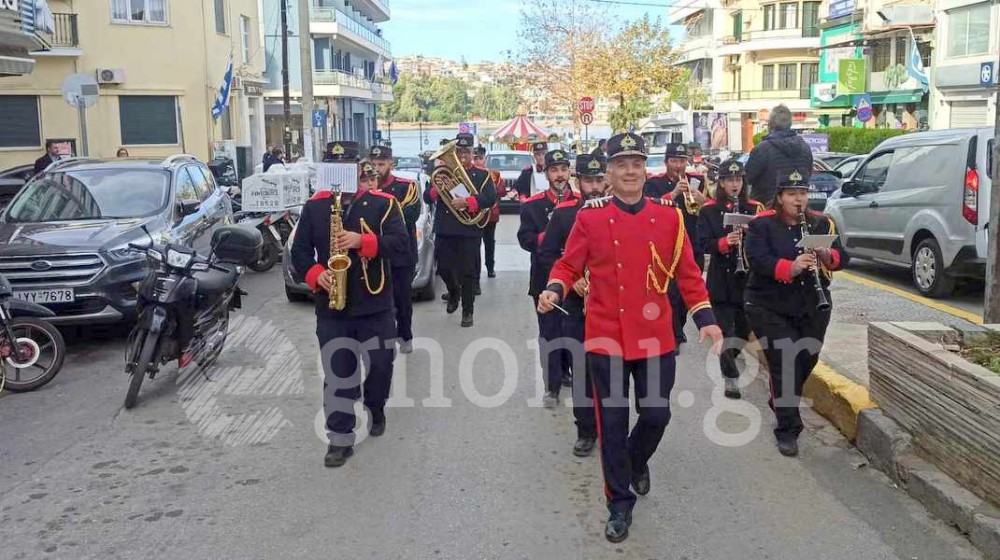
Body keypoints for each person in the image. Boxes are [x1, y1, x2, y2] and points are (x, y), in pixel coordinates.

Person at [538, 133, 723, 543]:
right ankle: (618, 504)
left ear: (644, 169)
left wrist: (705, 317)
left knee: (657, 414)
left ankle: (637, 460)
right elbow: (568, 266)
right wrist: (554, 289)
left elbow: (688, 274)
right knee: (613, 423)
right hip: (605, 335)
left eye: (636, 163)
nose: (629, 171)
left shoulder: (669, 217)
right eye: (621, 164)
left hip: (656, 335)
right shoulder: (590, 218)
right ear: (609, 172)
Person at [289, 142, 409, 468]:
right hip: (332, 305)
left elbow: (402, 247)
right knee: (338, 372)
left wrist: (362, 241)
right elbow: (298, 253)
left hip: (376, 302)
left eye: (347, 164)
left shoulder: (384, 204)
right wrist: (317, 275)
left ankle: (375, 403)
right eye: (332, 164)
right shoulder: (315, 207)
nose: (339, 170)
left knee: (382, 364)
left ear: (360, 168)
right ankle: (339, 438)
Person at [744, 169, 848, 457]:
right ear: (779, 197)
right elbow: (758, 259)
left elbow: (843, 257)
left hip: (812, 304)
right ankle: (788, 428)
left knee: (807, 358)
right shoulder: (762, 225)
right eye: (791, 194)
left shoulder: (821, 223)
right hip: (768, 304)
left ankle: (780, 398)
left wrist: (827, 256)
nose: (798, 199)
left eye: (802, 193)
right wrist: (790, 267)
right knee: (785, 361)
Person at [537, 153, 608, 457]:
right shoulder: (565, 215)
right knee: (582, 370)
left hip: (611, 306)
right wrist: (572, 280)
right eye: (588, 181)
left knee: (612, 372)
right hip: (578, 307)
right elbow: (547, 255)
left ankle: (612, 426)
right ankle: (586, 429)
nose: (594, 187)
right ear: (579, 182)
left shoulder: (620, 212)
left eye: (598, 180)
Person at [696, 159, 765, 399]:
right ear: (721, 183)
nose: (734, 185)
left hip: (748, 280)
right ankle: (731, 377)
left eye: (738, 180)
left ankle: (728, 358)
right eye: (729, 180)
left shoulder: (755, 209)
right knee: (724, 330)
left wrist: (751, 234)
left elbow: (766, 239)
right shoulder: (709, 210)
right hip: (721, 280)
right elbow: (703, 243)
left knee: (743, 332)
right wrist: (725, 243)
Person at [518, 149, 579, 407]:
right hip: (545, 279)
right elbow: (525, 239)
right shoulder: (533, 205)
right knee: (550, 334)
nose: (560, 175)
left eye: (564, 170)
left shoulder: (583, 203)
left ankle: (575, 376)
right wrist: (550, 234)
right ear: (546, 174)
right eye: (554, 170)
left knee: (576, 333)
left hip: (577, 284)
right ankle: (551, 387)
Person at [423, 133, 497, 327]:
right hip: (445, 228)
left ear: (472, 152)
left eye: (466, 151)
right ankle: (453, 291)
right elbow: (426, 197)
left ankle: (468, 311)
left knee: (469, 272)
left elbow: (490, 197)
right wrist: (435, 191)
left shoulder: (482, 175)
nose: (463, 155)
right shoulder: (441, 173)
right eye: (459, 151)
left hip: (469, 229)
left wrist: (469, 202)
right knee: (445, 268)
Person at [644, 142, 707, 354]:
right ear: (667, 162)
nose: (679, 165)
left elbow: (708, 212)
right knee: (670, 293)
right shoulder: (654, 183)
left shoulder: (697, 180)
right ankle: (674, 335)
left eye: (682, 161)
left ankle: (677, 328)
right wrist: (673, 193)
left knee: (685, 295)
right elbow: (649, 208)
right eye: (674, 161)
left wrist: (703, 201)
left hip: (692, 243)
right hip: (666, 246)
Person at [370, 145, 422, 354]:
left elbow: (408, 216)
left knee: (402, 299)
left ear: (390, 163)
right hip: (375, 254)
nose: (376, 169)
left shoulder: (406, 187)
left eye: (381, 164)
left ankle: (405, 335)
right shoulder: (365, 188)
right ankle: (384, 339)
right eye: (373, 164)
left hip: (401, 254)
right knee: (379, 300)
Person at [745, 104, 814, 205]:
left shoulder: (762, 149)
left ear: (770, 125)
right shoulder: (805, 148)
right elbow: (808, 174)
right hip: (796, 208)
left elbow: (746, 178)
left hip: (766, 209)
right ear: (790, 124)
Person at [475, 146, 506, 278]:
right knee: (474, 246)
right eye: (475, 158)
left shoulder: (494, 175)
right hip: (474, 215)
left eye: (480, 159)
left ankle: (490, 268)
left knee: (489, 243)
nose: (477, 162)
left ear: (485, 160)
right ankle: (475, 273)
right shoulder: (468, 174)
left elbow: (501, 191)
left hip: (490, 215)